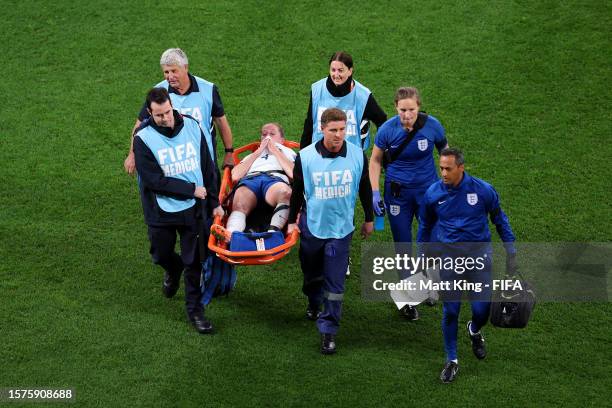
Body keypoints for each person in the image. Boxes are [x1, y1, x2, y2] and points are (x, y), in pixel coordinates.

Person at [417, 148, 517, 383]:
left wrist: (511, 250)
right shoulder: (433, 193)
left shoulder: (483, 190)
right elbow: (425, 225)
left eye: (448, 169)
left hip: (479, 257)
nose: (443, 173)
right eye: (441, 168)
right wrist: (422, 255)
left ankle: (474, 330)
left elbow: (499, 219)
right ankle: (452, 360)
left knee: (482, 311)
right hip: (449, 258)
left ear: (461, 168)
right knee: (451, 311)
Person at [133, 87, 224, 334]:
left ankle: (195, 311)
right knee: (161, 254)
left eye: (167, 112)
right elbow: (153, 181)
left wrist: (214, 201)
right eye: (158, 115)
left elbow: (208, 166)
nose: (165, 118)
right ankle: (173, 269)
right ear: (149, 113)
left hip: (194, 210)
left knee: (194, 262)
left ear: (171, 105)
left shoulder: (193, 127)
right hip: (160, 211)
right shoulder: (142, 138)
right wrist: (191, 189)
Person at [287, 108, 374, 355]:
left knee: (335, 285)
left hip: (341, 229)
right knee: (312, 275)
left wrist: (369, 218)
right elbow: (297, 191)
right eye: (333, 130)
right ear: (322, 129)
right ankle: (314, 302)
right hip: (312, 226)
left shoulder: (357, 155)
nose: (339, 135)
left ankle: (328, 331)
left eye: (342, 129)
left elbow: (365, 187)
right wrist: (293, 220)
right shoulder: (304, 157)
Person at [369, 86, 448, 320]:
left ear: (418, 107)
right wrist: (375, 192)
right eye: (402, 110)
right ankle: (407, 301)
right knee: (403, 245)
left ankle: (431, 283)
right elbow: (375, 161)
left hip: (428, 194)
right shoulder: (386, 130)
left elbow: (445, 152)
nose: (407, 115)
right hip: (398, 196)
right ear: (396, 107)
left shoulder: (432, 125)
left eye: (411, 110)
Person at [125, 48, 234, 174]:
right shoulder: (158, 92)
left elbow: (220, 120)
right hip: (173, 164)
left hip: (205, 158)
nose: (170, 76)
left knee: (211, 192)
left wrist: (229, 152)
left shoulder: (208, 90)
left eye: (174, 71)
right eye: (166, 72)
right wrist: (132, 154)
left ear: (185, 67)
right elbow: (140, 125)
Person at [213, 123, 296, 240]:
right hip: (251, 180)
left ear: (282, 140)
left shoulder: (289, 152)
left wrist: (275, 151)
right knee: (240, 201)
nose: (267, 137)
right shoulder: (252, 155)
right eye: (264, 134)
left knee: (286, 193)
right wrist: (258, 152)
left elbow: (294, 174)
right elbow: (235, 175)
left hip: (275, 179)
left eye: (272, 134)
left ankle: (273, 233)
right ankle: (230, 234)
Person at [301, 51, 387, 150]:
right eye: (333, 70)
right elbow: (309, 124)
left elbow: (381, 120)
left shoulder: (363, 95)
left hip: (350, 158)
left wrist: (380, 151)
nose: (336, 75)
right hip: (319, 156)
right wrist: (303, 156)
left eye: (340, 70)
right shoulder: (317, 89)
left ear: (350, 71)